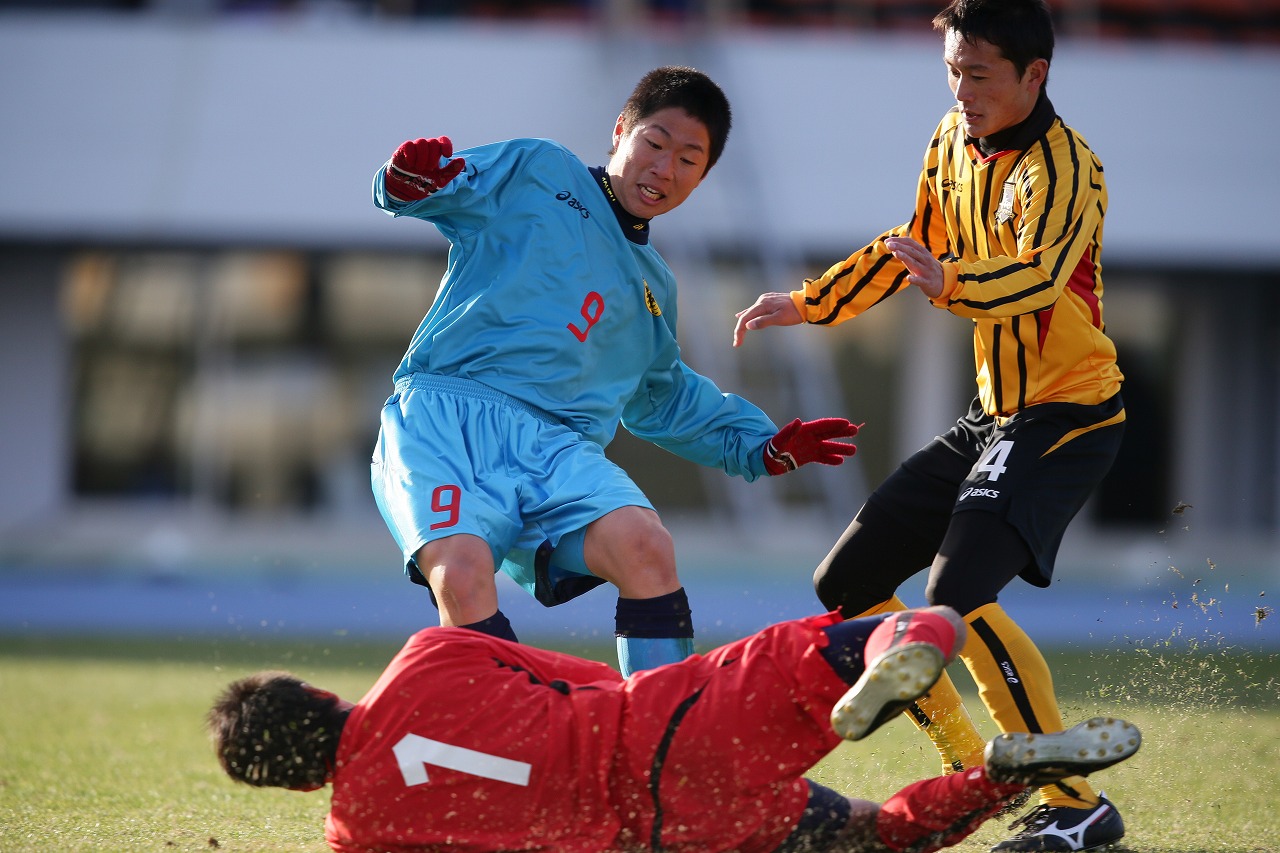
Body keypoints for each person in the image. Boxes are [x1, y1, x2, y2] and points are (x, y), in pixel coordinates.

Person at [732, 2, 1128, 850]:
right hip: (994, 413)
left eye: (978, 74)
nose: (960, 89)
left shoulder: (1069, 171)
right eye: (952, 70)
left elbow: (1032, 282)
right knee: (848, 580)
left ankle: (1074, 804)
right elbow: (912, 248)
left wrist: (947, 282)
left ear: (1035, 75)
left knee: (958, 595)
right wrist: (807, 303)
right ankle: (972, 774)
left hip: (1071, 411)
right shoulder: (951, 140)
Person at [369, 65, 860, 677]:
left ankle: (657, 749)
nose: (664, 168)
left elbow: (664, 399)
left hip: (557, 450)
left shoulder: (656, 285)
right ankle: (515, 745)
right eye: (654, 144)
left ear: (702, 177)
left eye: (689, 159)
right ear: (621, 131)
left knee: (645, 546)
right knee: (463, 577)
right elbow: (439, 187)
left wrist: (762, 445)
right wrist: (408, 181)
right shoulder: (539, 169)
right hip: (445, 419)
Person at [207, 606, 1141, 853]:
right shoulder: (427, 656)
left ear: (294, 783)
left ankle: (1000, 776)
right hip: (669, 726)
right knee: (919, 625)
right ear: (319, 694)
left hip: (674, 834)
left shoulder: (357, 829)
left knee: (866, 836)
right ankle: (907, 670)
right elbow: (597, 683)